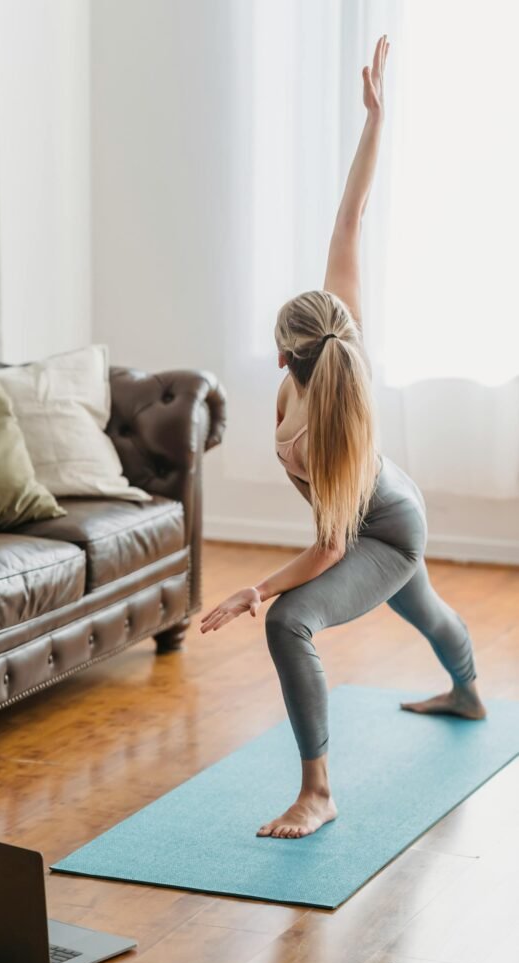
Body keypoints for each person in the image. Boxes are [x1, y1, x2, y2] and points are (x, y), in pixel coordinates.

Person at [200, 34, 486, 841]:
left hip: (384, 528)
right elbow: (350, 214)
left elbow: (330, 551)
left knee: (292, 621)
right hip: (390, 506)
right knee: (424, 611)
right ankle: (467, 690)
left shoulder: (327, 431)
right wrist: (373, 118)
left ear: (284, 350)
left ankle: (318, 793)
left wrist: (253, 591)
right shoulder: (334, 341)